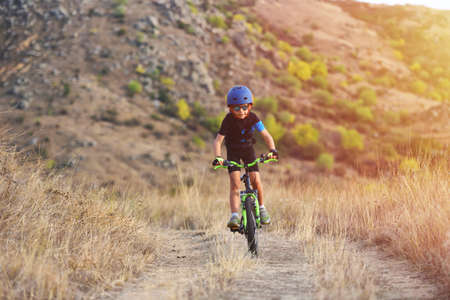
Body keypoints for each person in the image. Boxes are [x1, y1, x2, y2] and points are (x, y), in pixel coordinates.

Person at [212, 85, 278, 229]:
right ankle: (235, 216)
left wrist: (272, 149)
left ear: (250, 106)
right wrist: (218, 157)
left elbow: (266, 135)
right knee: (235, 184)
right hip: (233, 151)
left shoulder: (253, 118)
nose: (241, 111)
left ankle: (261, 208)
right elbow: (218, 141)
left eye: (244, 107)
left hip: (248, 150)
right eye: (236, 108)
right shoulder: (228, 120)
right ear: (230, 108)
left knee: (255, 180)